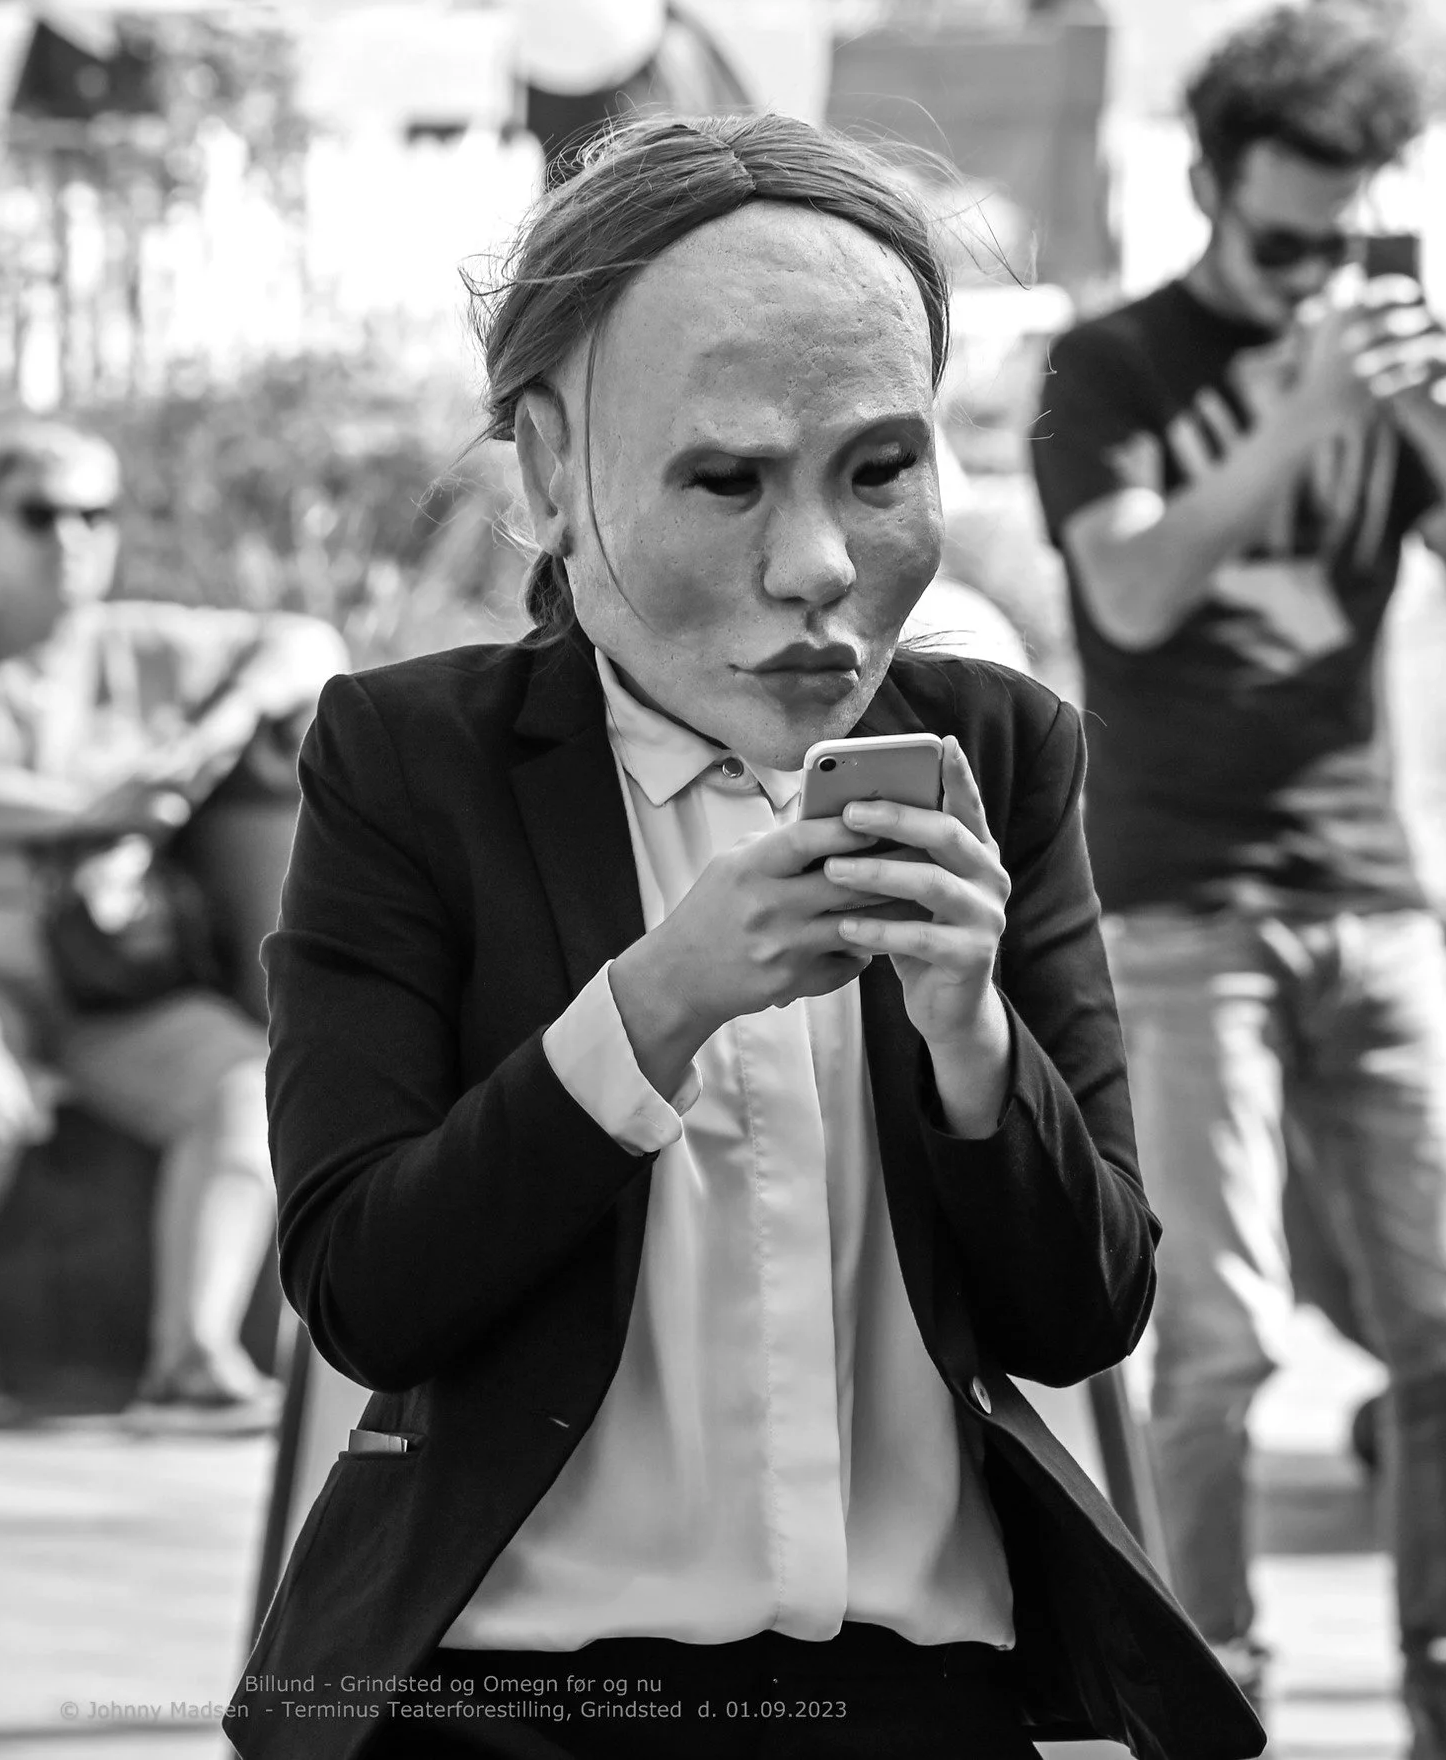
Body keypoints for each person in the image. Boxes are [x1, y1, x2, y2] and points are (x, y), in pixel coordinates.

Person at [227, 115, 1263, 1760]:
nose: (818, 568)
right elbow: (363, 1288)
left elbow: (1083, 1311)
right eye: (724, 478)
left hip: (921, 1698)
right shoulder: (409, 765)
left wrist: (972, 1044)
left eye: (880, 469)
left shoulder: (1002, 752)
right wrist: (650, 1004)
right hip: (520, 1701)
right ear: (555, 471)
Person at [1031, 2, 1446, 1760]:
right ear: (1204, 187)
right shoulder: (1107, 371)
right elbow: (1138, 594)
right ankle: (1213, 1703)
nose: (1314, 269)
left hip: (1369, 896)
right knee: (1219, 1353)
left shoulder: (1377, 370)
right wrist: (1297, 410)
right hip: (1179, 912)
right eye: (1282, 237)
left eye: (1342, 235)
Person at [0, 419, 347, 1426]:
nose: (72, 537)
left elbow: (309, 642)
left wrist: (220, 727)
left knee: (247, 1089)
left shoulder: (142, 641)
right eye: (42, 513)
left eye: (95, 513)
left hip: (112, 992)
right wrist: (92, 808)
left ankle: (191, 1358)